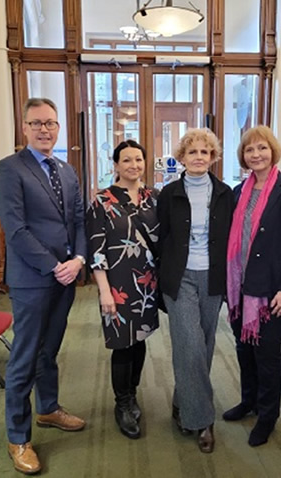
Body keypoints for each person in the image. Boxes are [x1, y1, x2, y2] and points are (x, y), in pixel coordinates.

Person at [0, 98, 87, 475]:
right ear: (25, 128)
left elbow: (79, 220)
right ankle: (18, 437)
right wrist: (54, 266)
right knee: (25, 356)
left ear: (58, 128)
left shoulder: (66, 170)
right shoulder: (9, 169)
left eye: (51, 123)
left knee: (50, 349)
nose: (45, 129)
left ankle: (48, 408)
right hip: (32, 278)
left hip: (65, 277)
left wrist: (78, 260)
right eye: (37, 124)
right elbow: (15, 230)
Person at [224, 126, 281, 446]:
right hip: (239, 287)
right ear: (242, 156)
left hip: (271, 290)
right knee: (244, 348)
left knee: (267, 354)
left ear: (273, 151)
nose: (256, 155)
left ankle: (268, 415)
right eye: (249, 150)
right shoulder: (238, 191)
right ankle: (249, 401)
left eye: (262, 148)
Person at [157, 128, 234, 453]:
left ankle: (182, 400)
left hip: (213, 278)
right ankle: (203, 420)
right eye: (193, 152)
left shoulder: (226, 193)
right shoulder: (169, 192)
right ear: (182, 158)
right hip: (180, 277)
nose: (199, 157)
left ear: (213, 157)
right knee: (189, 344)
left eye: (205, 152)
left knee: (203, 344)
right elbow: (162, 237)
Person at [87, 140, 160, 440]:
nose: (134, 165)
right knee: (121, 344)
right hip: (116, 286)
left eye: (138, 159)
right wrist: (104, 290)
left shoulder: (154, 198)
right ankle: (123, 403)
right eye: (127, 160)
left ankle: (133, 393)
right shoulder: (101, 202)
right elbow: (96, 250)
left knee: (139, 340)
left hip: (146, 284)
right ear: (115, 165)